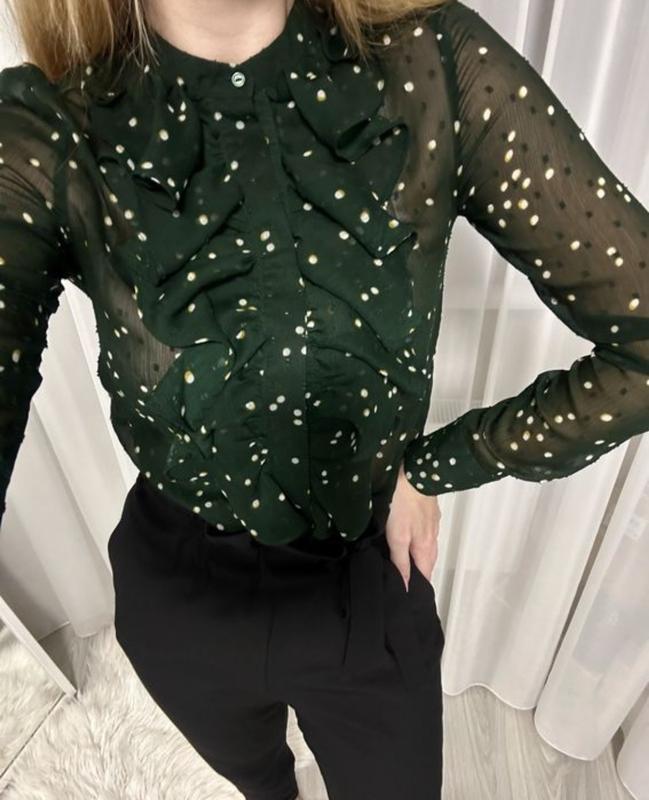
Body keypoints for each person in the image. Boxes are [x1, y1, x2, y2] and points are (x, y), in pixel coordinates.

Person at [1, 0, 648, 797]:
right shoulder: (45, 131)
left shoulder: (435, 63)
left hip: (369, 582)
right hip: (176, 598)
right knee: (257, 783)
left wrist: (438, 466)